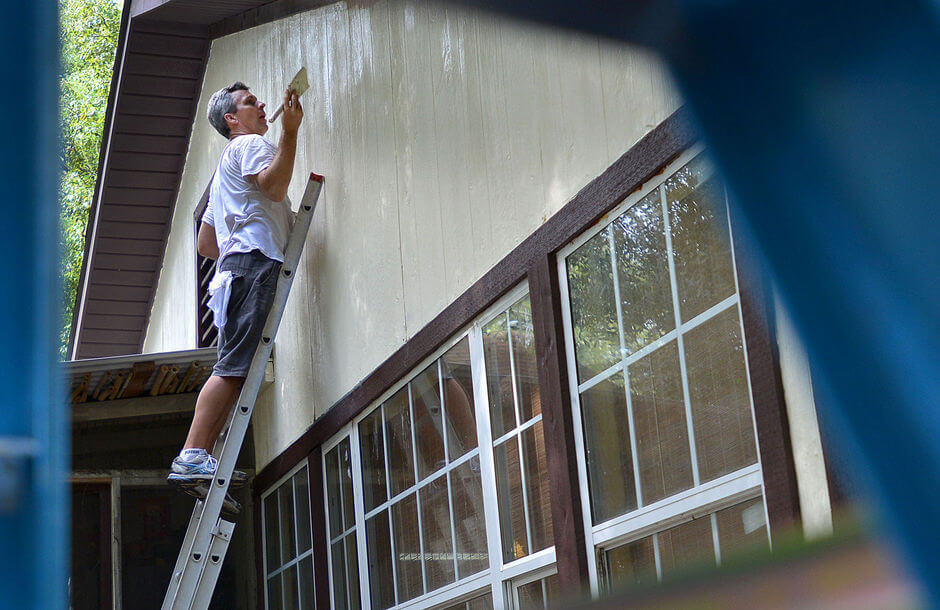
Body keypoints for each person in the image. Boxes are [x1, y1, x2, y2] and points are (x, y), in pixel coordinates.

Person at [166, 81, 304, 510]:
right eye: (249, 102)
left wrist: (248, 225)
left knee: (234, 368)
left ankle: (199, 456)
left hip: (233, 273)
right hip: (252, 267)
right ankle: (192, 455)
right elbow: (274, 188)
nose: (261, 105)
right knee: (232, 369)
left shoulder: (225, 166)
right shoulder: (249, 145)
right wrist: (290, 131)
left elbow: (207, 242)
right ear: (232, 119)